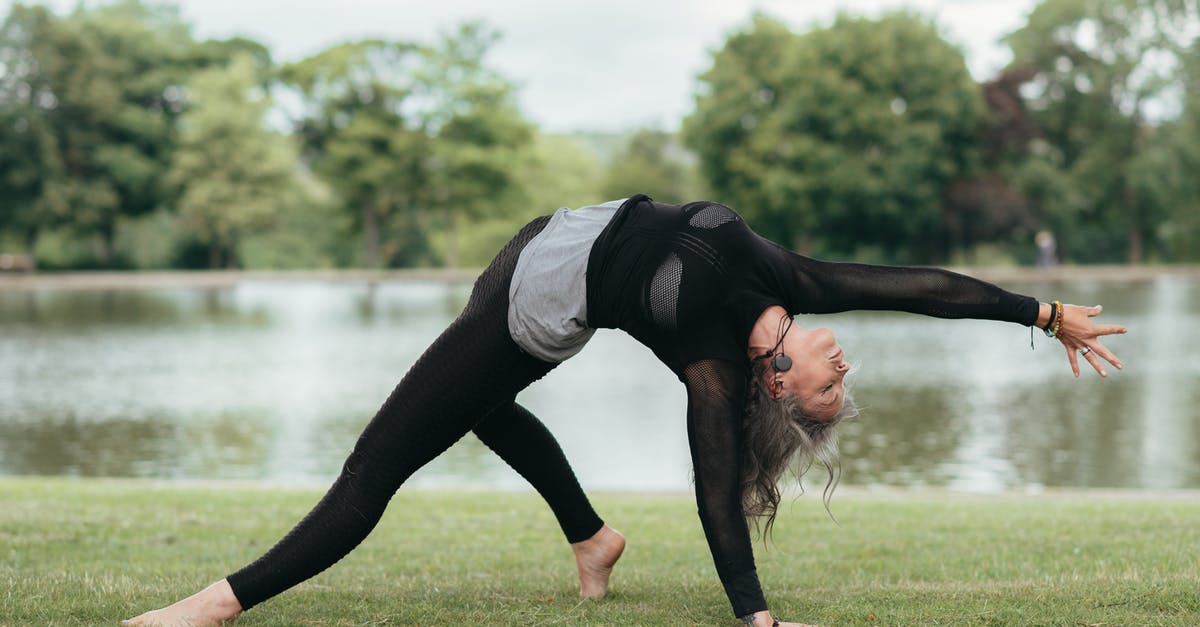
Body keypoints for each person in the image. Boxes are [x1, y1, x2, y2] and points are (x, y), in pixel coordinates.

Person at [122, 195, 1126, 627]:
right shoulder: (797, 284)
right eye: (840, 381)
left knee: (376, 464)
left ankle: (219, 603)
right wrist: (1040, 313)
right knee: (473, 409)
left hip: (532, 307)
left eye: (832, 388)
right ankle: (592, 537)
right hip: (543, 238)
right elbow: (920, 287)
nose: (843, 364)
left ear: (779, 388)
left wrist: (757, 614)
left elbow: (715, 491)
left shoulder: (711, 368)